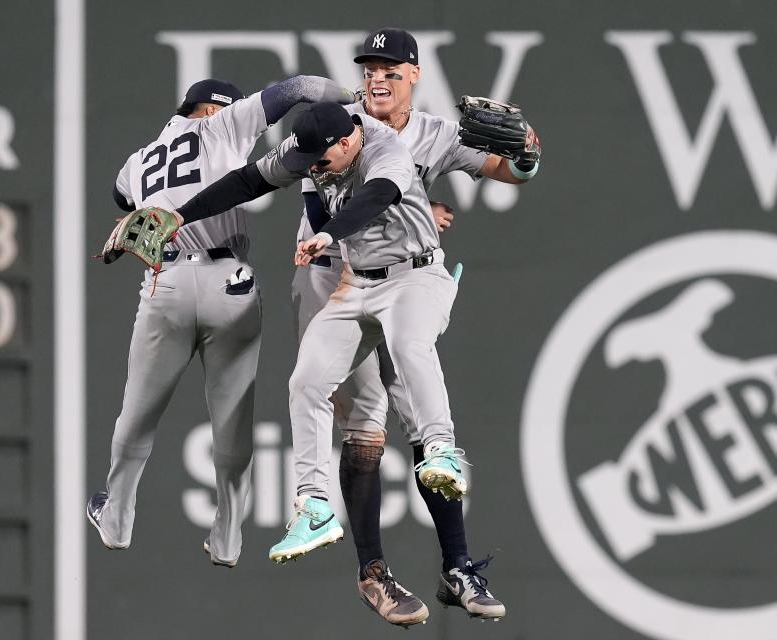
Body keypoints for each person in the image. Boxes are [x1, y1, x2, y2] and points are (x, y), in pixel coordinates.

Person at [169, 100, 475, 628]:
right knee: (307, 381)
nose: (312, 166)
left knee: (408, 347)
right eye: (306, 157)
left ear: (349, 140)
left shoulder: (386, 150)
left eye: (321, 157)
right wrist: (179, 214)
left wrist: (330, 234)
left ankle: (443, 453)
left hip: (414, 276)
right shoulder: (315, 147)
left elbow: (376, 197)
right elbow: (248, 181)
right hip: (357, 284)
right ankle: (313, 505)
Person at [290, 28, 540, 625]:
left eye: (390, 69)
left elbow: (508, 169)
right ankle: (372, 572)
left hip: (398, 277)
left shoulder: (434, 134)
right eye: (369, 68)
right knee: (367, 420)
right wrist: (412, 208)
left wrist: (529, 156)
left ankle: (457, 566)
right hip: (331, 272)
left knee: (420, 406)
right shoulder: (336, 125)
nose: (377, 78)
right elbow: (320, 208)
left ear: (414, 76)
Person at [86, 75, 356, 568]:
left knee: (137, 413)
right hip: (229, 282)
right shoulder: (222, 125)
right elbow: (299, 88)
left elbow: (122, 199)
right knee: (232, 421)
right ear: (210, 110)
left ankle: (117, 518)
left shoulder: (137, 161)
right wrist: (352, 101)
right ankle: (228, 538)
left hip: (164, 281)